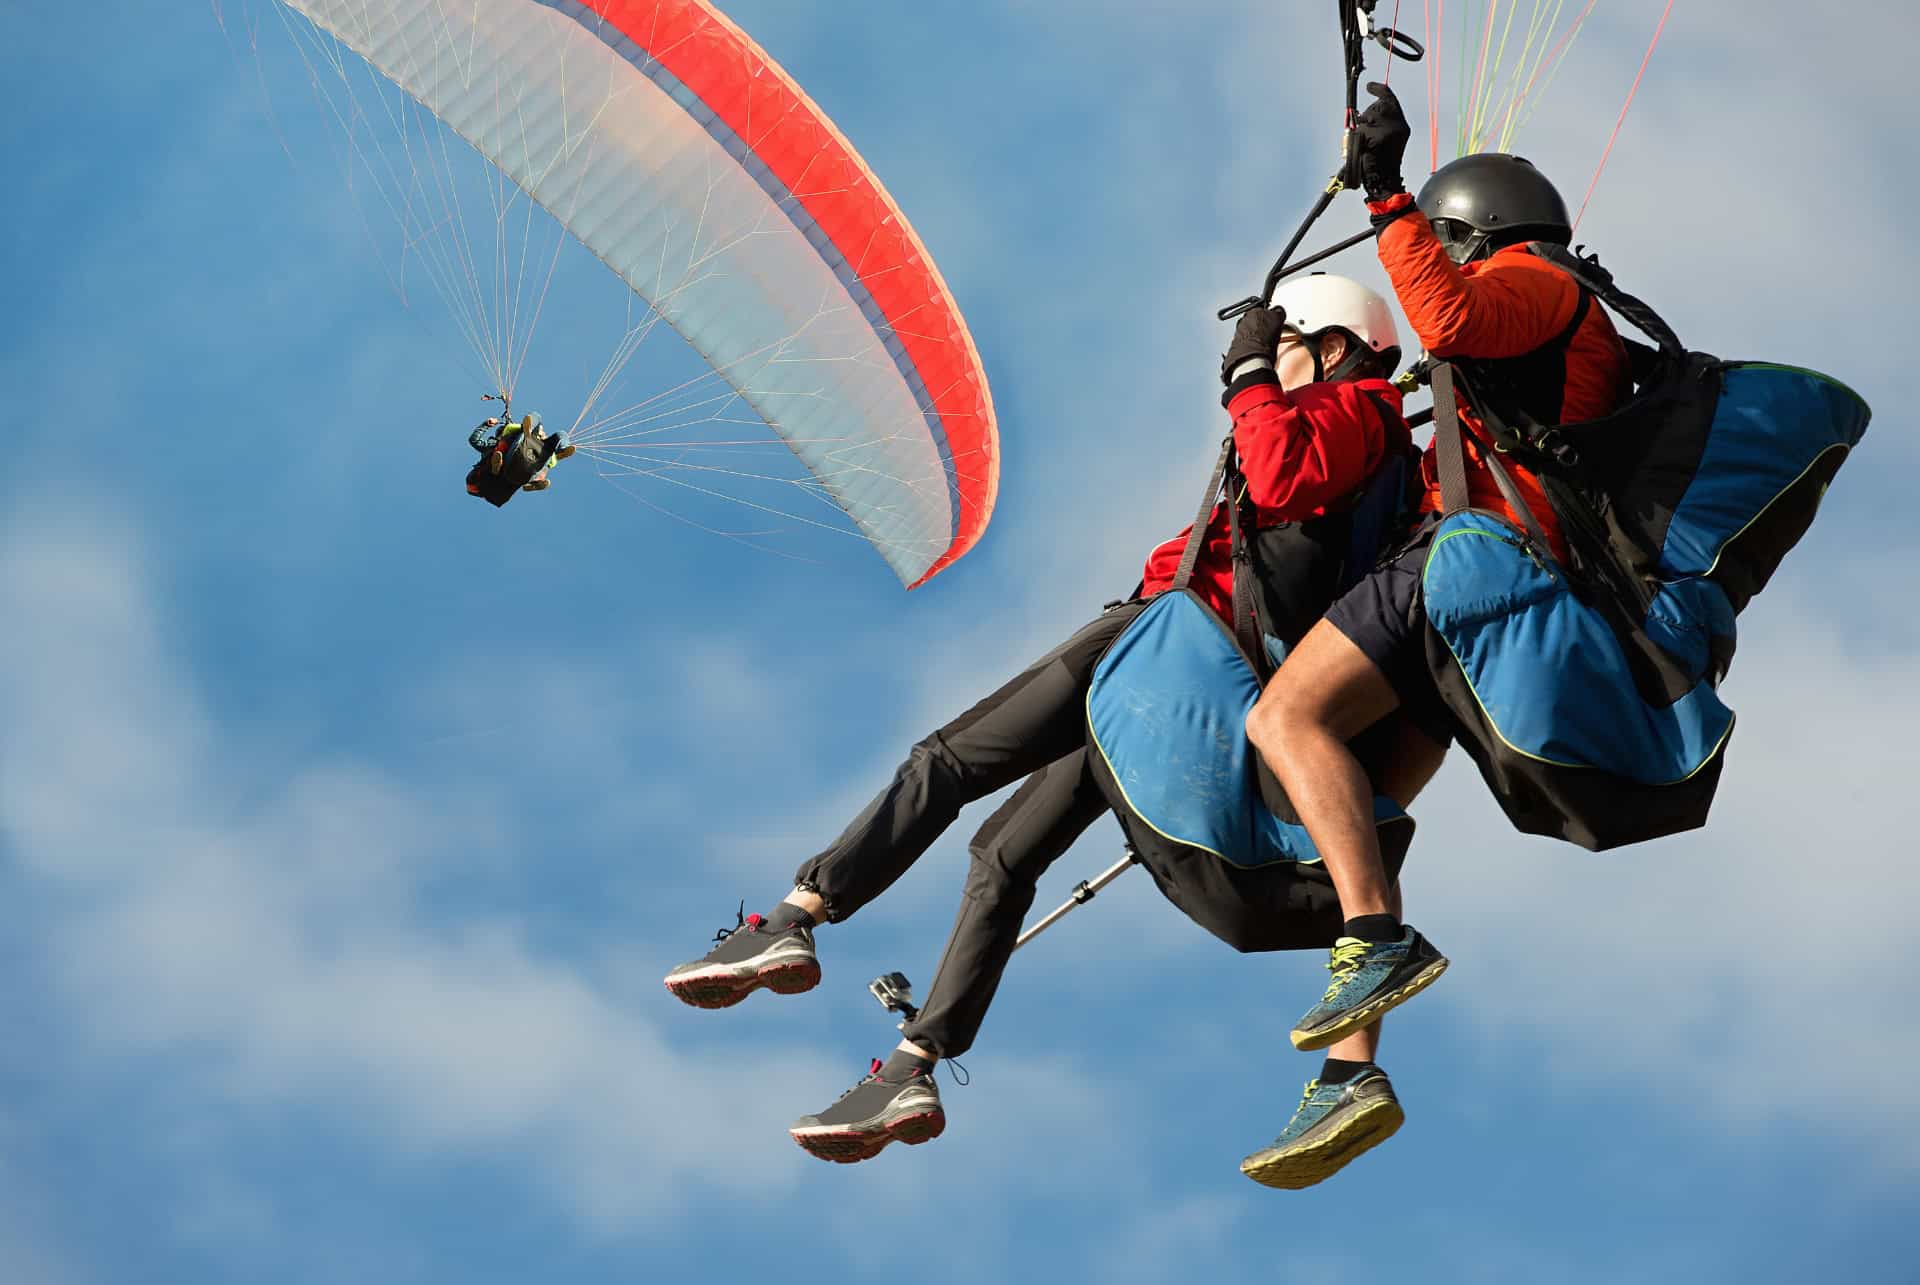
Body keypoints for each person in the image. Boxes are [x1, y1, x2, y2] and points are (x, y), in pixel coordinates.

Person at [665, 274, 1422, 1182]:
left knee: (945, 760)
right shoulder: (1376, 442)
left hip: (1166, 641)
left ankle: (799, 912)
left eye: (1284, 340)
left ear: (1330, 348)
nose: (1262, 357)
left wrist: (1252, 377)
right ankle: (915, 1067)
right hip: (1182, 677)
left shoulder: (1358, 409)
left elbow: (1279, 471)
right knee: (1004, 854)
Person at [1239, 83, 1632, 1117]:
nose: (1439, 265)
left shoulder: (1538, 286)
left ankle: (1373, 951)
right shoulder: (1534, 340)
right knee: (1352, 812)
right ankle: (1348, 1072)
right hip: (1488, 594)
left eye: (1444, 243)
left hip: (1481, 565)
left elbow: (1449, 316)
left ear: (1476, 233)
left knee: (1284, 715)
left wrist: (1383, 194)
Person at [465, 412, 575, 501]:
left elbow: (551, 463)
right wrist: (486, 424)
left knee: (561, 434)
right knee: (536, 416)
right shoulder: (494, 444)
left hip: (530, 462)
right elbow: (474, 440)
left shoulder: (543, 444)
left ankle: (561, 450)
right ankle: (497, 468)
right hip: (510, 459)